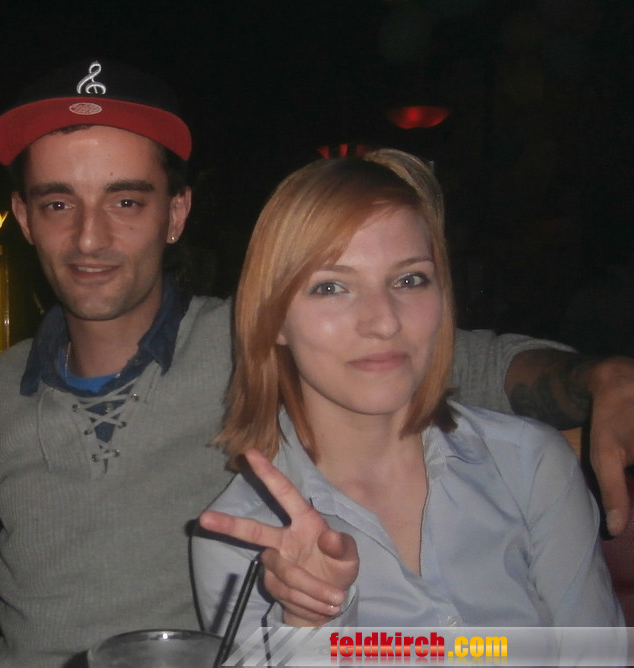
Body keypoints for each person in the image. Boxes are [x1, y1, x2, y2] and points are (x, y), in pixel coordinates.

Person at [0, 58, 634, 667]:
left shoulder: (256, 336)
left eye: (126, 201)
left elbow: (453, 357)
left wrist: (593, 379)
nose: (90, 236)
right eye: (58, 203)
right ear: (24, 219)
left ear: (175, 214)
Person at [191, 150, 624, 652]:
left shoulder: (529, 464)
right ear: (273, 320)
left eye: (409, 280)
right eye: (331, 287)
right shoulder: (243, 537)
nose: (384, 321)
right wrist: (309, 623)